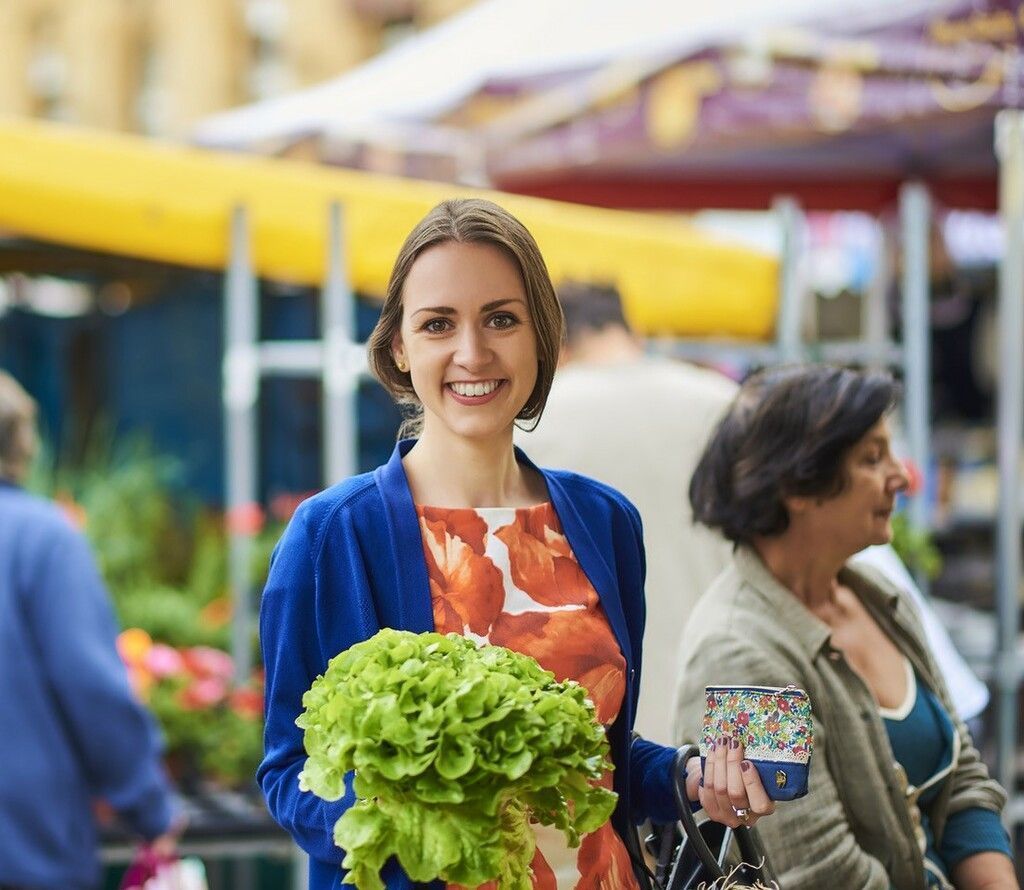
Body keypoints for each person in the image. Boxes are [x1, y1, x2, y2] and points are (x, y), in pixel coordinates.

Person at [258, 198, 775, 890]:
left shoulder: (604, 520)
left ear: (542, 338)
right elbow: (289, 771)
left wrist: (690, 777)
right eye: (438, 324)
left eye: (501, 319)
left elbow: (603, 762)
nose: (472, 353)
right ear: (400, 347)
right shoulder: (333, 535)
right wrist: (412, 818)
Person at [674, 364, 1015, 890]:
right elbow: (821, 873)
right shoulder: (737, 653)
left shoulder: (879, 598)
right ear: (798, 485)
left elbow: (963, 782)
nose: (900, 477)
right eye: (872, 458)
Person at [515, 282, 738, 743]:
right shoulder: (724, 402)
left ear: (554, 343)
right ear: (631, 331)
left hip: (597, 726)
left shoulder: (531, 421)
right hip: (727, 713)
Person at [0, 371, 180, 890]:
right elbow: (91, 687)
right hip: (24, 849)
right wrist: (149, 807)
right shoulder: (43, 538)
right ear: (22, 445)